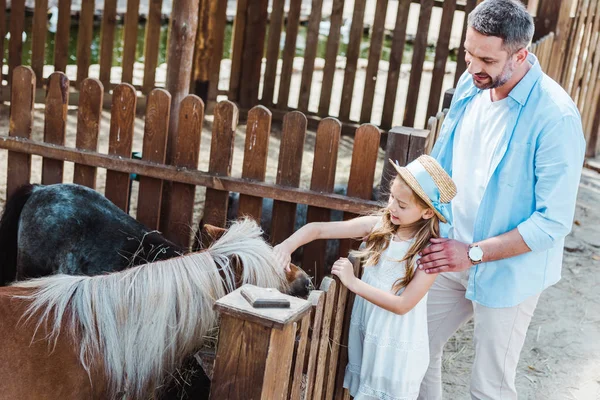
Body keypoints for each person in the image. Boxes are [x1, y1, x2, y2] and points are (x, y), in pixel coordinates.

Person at [415, 1, 586, 399]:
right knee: (415, 349)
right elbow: (446, 161)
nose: (473, 66)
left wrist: (471, 253)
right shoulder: (472, 83)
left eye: (487, 59)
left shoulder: (556, 117)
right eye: (468, 53)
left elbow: (552, 222)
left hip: (509, 270)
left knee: (489, 387)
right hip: (451, 250)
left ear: (521, 55)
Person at [274, 155, 457, 400]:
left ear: (426, 212)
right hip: (368, 335)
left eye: (402, 205)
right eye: (392, 197)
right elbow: (317, 229)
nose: (392, 207)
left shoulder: (429, 254)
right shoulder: (378, 228)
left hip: (396, 350)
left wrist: (353, 283)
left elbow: (403, 305)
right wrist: (287, 246)